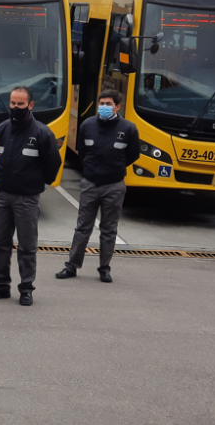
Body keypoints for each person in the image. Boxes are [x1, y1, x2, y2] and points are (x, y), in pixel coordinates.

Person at [0, 85, 61, 306]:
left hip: (27, 198)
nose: (15, 107)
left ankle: (26, 289)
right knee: (0, 244)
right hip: (2, 195)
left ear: (31, 105)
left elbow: (52, 164)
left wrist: (33, 183)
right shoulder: (1, 130)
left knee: (27, 246)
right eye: (13, 103)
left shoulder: (42, 133)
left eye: (20, 104)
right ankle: (1, 287)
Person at [56, 89, 140, 283]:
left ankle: (104, 268)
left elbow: (133, 155)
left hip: (114, 185)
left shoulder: (128, 128)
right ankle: (72, 266)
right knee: (82, 227)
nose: (103, 107)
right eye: (101, 103)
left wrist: (114, 168)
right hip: (90, 184)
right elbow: (82, 152)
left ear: (117, 107)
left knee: (109, 228)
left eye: (108, 104)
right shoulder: (87, 125)